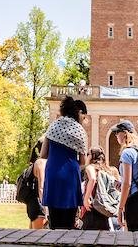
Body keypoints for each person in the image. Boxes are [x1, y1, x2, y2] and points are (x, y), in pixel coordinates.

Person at [40, 96, 89, 229]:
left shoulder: (53, 126)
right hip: (71, 176)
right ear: (76, 113)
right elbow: (83, 161)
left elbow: (43, 154)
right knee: (69, 223)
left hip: (53, 172)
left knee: (54, 222)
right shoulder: (80, 130)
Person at [110, 120, 138, 232]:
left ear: (124, 133)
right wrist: (121, 184)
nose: (116, 135)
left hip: (134, 201)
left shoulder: (127, 153)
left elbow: (127, 184)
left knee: (132, 239)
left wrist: (120, 208)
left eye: (117, 132)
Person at [80, 147, 116, 230]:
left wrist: (86, 199)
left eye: (88, 154)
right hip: (103, 209)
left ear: (92, 156)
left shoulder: (90, 167)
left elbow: (92, 179)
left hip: (92, 207)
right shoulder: (106, 170)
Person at [24, 141, 47, 229]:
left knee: (31, 236)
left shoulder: (36, 162)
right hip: (39, 204)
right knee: (39, 237)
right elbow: (41, 188)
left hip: (34, 203)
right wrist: (46, 207)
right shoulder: (41, 163)